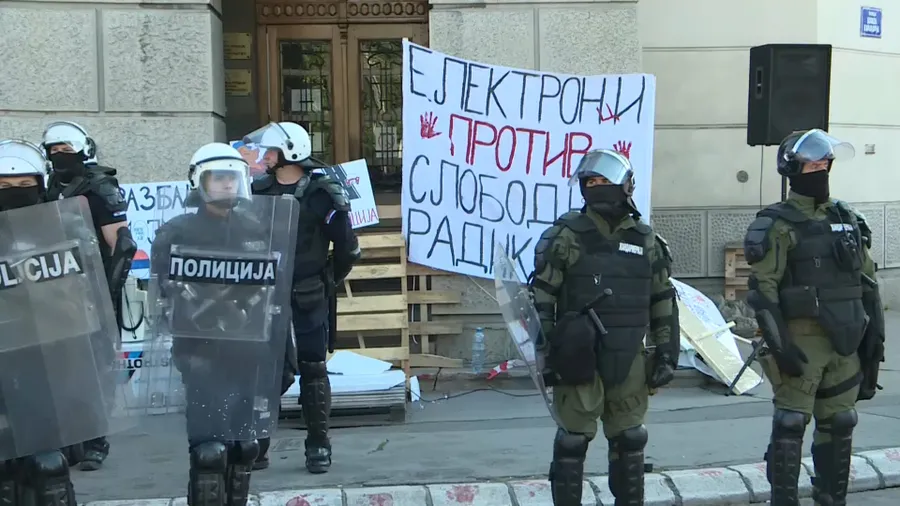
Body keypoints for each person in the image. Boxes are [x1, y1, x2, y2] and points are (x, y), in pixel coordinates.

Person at [743, 128, 885, 506]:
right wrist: (780, 344)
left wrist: (875, 338)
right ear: (793, 168)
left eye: (825, 161)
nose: (821, 167)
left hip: (847, 340)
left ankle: (830, 498)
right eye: (813, 162)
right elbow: (762, 291)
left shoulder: (847, 217)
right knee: (791, 424)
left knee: (840, 423)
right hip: (801, 340)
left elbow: (868, 280)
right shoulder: (777, 223)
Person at [149, 143, 297, 506]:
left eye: (233, 178)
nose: (227, 186)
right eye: (218, 179)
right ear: (200, 181)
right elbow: (162, 291)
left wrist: (282, 349)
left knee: (245, 447)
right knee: (209, 450)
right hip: (198, 346)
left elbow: (273, 293)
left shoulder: (256, 228)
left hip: (248, 346)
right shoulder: (176, 232)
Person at [529, 149, 679, 506]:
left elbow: (663, 298)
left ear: (625, 186)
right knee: (572, 442)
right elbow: (542, 298)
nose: (597, 188)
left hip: (629, 359)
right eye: (591, 182)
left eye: (604, 181)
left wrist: (666, 351)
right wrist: (546, 352)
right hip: (579, 358)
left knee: (630, 440)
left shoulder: (645, 240)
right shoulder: (566, 236)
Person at [0, 139, 111, 506]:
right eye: (3, 186)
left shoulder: (64, 231)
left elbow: (85, 297)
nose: (14, 193)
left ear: (42, 183)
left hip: (48, 358)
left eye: (23, 185)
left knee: (49, 465)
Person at [248, 122, 360, 474]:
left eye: (271, 152)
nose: (265, 157)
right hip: (266, 291)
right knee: (265, 371)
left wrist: (328, 279)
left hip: (309, 290)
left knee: (313, 368)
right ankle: (258, 444)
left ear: (290, 152)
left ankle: (318, 446)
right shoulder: (258, 190)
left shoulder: (320, 192)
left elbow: (347, 246)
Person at [41, 121, 136, 471]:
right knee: (58, 367)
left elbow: (121, 245)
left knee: (95, 367)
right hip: (51, 287)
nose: (60, 158)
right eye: (55, 152)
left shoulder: (99, 187)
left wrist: (106, 293)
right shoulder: (47, 184)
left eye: (67, 151)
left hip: (92, 284)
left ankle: (96, 439)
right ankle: (68, 439)